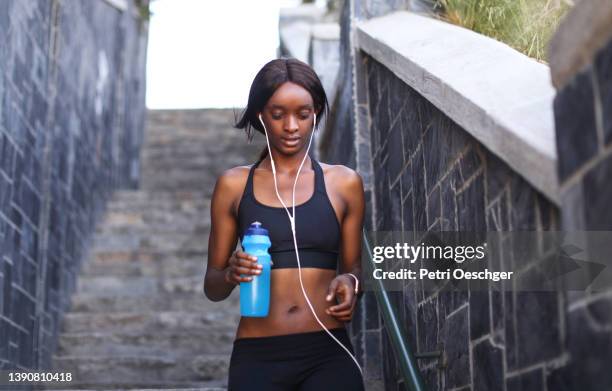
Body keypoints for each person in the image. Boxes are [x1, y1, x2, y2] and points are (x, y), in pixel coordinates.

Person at [204, 57, 366, 390]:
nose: (291, 126)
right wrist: (231, 274)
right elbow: (213, 287)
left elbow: (355, 268)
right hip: (257, 356)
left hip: (328, 351)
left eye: (302, 115)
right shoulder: (234, 186)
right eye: (278, 115)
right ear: (262, 115)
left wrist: (350, 283)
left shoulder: (344, 183)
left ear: (316, 112)